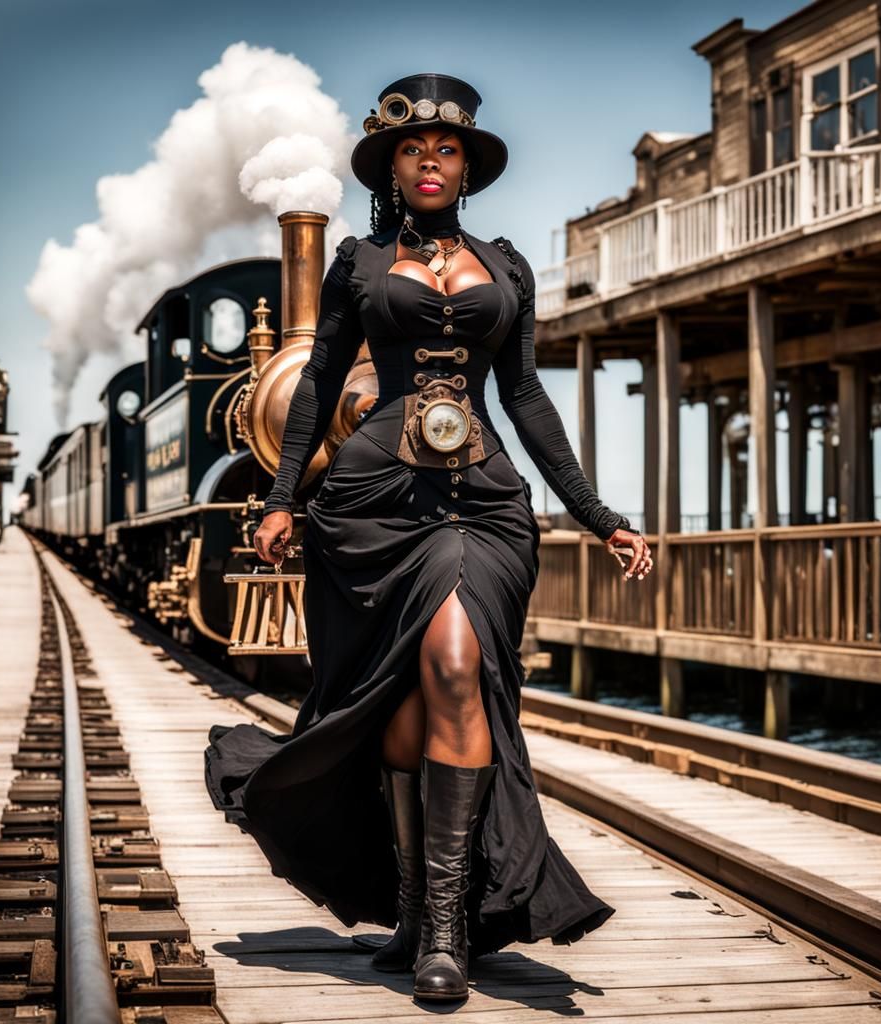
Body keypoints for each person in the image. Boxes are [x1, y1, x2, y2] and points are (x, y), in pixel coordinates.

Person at [204, 72, 654, 1006]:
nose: (432, 163)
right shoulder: (359, 266)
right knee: (405, 699)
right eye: (415, 150)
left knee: (456, 664)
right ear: (392, 165)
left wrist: (598, 514)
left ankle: (447, 926)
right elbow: (321, 385)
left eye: (447, 150)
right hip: (374, 500)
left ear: (468, 165)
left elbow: (523, 397)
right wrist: (284, 497)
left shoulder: (509, 268)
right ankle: (416, 913)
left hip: (482, 505)